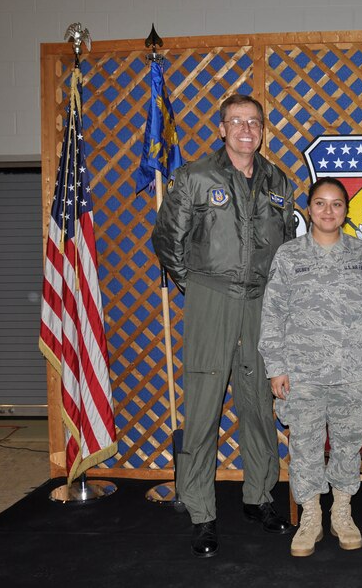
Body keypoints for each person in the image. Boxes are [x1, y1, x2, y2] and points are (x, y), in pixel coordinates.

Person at [151, 93, 296, 558]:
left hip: (262, 302)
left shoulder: (279, 180)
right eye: (237, 121)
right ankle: (201, 511)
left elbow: (289, 244)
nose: (246, 130)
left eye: (254, 122)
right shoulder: (195, 177)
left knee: (258, 401)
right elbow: (166, 237)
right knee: (203, 406)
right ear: (222, 128)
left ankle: (259, 496)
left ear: (262, 129)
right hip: (212, 297)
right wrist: (193, 285)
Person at [259, 177, 362, 557]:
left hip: (354, 370)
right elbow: (272, 315)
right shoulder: (289, 256)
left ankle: (342, 512)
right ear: (309, 208)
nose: (328, 211)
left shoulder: (360, 254)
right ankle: (311, 516)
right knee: (304, 446)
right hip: (303, 373)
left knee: (348, 447)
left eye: (336, 204)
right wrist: (276, 367)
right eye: (321, 203)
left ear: (346, 211)